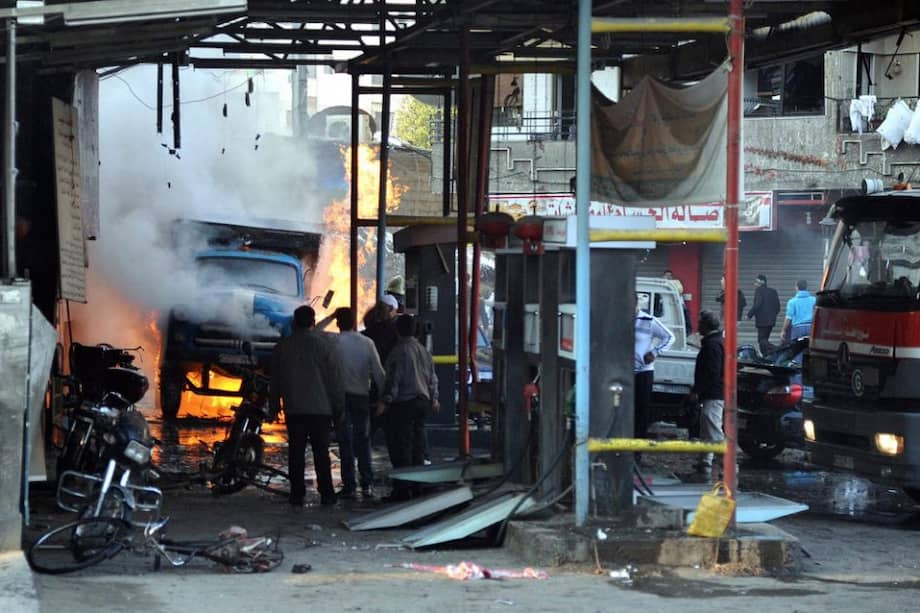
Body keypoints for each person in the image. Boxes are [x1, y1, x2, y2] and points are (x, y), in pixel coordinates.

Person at [269, 306, 345, 507]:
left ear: (294, 323)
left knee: (296, 453)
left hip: (294, 409)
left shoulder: (282, 347)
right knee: (321, 453)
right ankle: (327, 494)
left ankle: (297, 494)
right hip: (321, 410)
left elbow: (274, 381)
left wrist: (274, 405)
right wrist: (339, 407)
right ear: (313, 322)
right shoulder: (325, 346)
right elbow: (334, 381)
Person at [378, 314, 439, 501]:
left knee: (401, 447)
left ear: (397, 330)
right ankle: (417, 486)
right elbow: (432, 377)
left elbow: (393, 380)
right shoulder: (423, 350)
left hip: (404, 405)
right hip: (422, 403)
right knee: (417, 446)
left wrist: (385, 401)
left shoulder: (398, 352)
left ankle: (402, 490)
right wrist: (434, 398)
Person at [333, 307, 385, 499]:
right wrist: (383, 398)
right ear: (355, 321)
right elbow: (379, 374)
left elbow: (314, 332)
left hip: (340, 398)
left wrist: (330, 316)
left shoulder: (333, 342)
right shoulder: (366, 343)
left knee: (344, 440)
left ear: (338, 323)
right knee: (363, 440)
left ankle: (349, 484)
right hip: (361, 397)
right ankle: (367, 482)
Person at [634, 294, 675, 451]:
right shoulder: (619, 320)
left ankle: (638, 450)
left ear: (636, 304)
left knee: (641, 412)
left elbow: (669, 337)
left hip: (643, 373)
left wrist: (655, 352)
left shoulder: (648, 321)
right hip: (624, 372)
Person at [690, 310, 725, 473]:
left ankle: (727, 462)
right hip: (714, 392)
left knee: (712, 426)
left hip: (713, 393)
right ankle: (705, 460)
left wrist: (697, 390)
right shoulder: (716, 343)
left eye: (700, 323)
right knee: (707, 427)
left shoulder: (711, 346)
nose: (698, 327)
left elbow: (711, 372)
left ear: (706, 325)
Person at [747, 274, 781, 355]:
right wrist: (773, 316)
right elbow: (778, 306)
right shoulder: (773, 291)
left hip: (762, 321)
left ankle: (777, 349)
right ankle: (767, 356)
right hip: (771, 321)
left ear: (762, 281)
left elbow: (758, 304)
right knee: (765, 339)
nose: (755, 284)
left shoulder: (759, 291)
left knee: (761, 340)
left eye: (756, 281)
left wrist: (749, 314)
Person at [664, 269, 693, 335]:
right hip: (667, 305)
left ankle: (688, 331)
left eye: (670, 275)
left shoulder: (676, 282)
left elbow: (680, 290)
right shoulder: (662, 283)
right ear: (664, 276)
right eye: (666, 275)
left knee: (685, 316)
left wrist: (670, 283)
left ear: (672, 276)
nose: (668, 277)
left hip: (680, 304)